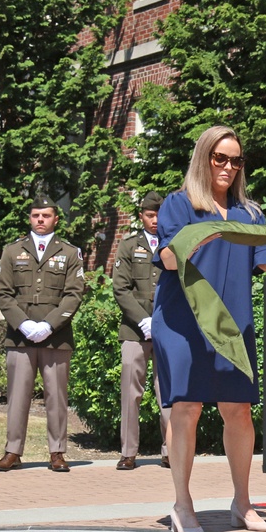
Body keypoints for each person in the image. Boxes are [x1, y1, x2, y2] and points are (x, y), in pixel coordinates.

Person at [152, 125, 266, 532]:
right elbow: (169, 260)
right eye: (219, 158)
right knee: (186, 408)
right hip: (184, 322)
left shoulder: (249, 214)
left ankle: (242, 504)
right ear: (204, 158)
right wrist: (201, 236)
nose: (227, 166)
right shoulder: (180, 204)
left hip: (232, 323)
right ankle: (182, 505)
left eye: (235, 160)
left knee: (238, 411)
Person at [0, 196, 86, 473]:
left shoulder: (70, 253)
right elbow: (3, 292)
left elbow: (73, 294)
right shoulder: (12, 251)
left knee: (56, 396)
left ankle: (57, 452)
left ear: (56, 218)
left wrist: (48, 324)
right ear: (30, 218)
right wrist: (23, 324)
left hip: (56, 336)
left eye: (46, 215)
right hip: (20, 336)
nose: (40, 220)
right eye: (35, 215)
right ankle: (12, 451)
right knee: (17, 396)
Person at [112, 191, 170, 471]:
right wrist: (143, 320)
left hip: (169, 328)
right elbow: (121, 288)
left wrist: (159, 321)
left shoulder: (174, 242)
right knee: (130, 392)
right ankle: (128, 452)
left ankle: (171, 450)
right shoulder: (128, 245)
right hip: (134, 330)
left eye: (159, 214)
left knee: (168, 393)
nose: (155, 220)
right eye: (150, 215)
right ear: (141, 216)